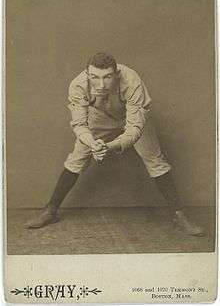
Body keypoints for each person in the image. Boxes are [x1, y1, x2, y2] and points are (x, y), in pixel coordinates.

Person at [25, 52, 203, 236]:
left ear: (116, 73)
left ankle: (179, 215)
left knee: (155, 161)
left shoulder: (131, 80)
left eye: (107, 77)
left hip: (133, 117)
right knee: (76, 159)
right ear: (87, 74)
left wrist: (108, 147)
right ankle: (50, 210)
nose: (101, 84)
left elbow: (134, 129)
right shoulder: (77, 85)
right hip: (99, 118)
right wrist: (93, 143)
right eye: (95, 77)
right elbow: (79, 125)